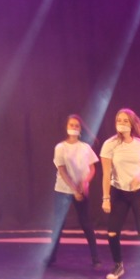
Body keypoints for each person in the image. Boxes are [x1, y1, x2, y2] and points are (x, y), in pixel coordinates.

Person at [100, 108, 140, 279]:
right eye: (119, 120)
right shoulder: (109, 144)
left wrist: (139, 176)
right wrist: (106, 198)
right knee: (112, 232)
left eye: (125, 120)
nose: (122, 123)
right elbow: (106, 174)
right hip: (118, 192)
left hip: (138, 192)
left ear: (132, 124)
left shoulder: (139, 144)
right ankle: (118, 265)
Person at [46, 114, 100, 269]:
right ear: (66, 127)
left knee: (86, 223)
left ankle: (96, 258)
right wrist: (74, 189)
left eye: (77, 125)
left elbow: (92, 168)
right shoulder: (60, 147)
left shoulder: (85, 147)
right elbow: (62, 170)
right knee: (58, 224)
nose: (74, 127)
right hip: (63, 190)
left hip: (81, 190)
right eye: (71, 125)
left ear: (80, 129)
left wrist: (85, 182)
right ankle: (51, 257)